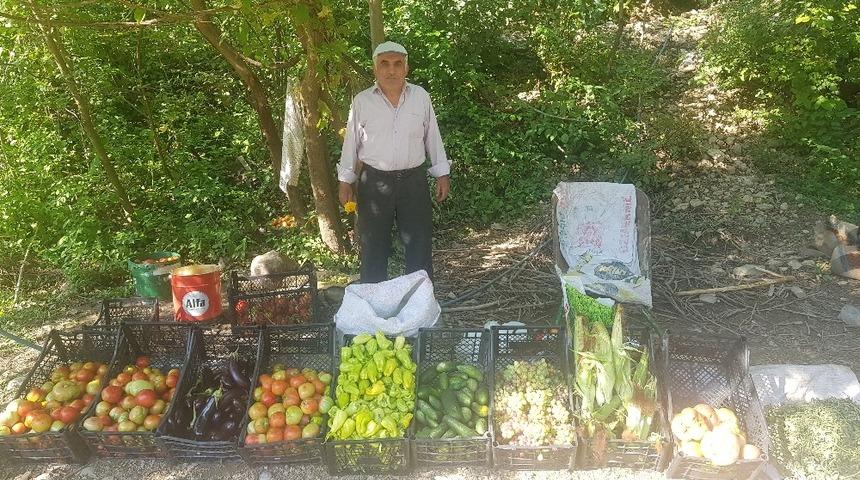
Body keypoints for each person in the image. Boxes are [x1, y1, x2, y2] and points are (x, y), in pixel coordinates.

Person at [337, 41, 451, 283]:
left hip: (413, 181)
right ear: (375, 69)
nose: (391, 70)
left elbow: (432, 135)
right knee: (373, 246)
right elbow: (352, 143)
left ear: (406, 68)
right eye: (384, 64)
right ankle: (374, 307)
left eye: (397, 64)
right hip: (374, 182)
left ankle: (419, 305)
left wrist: (442, 173)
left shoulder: (420, 97)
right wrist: (346, 180)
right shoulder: (362, 101)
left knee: (419, 243)